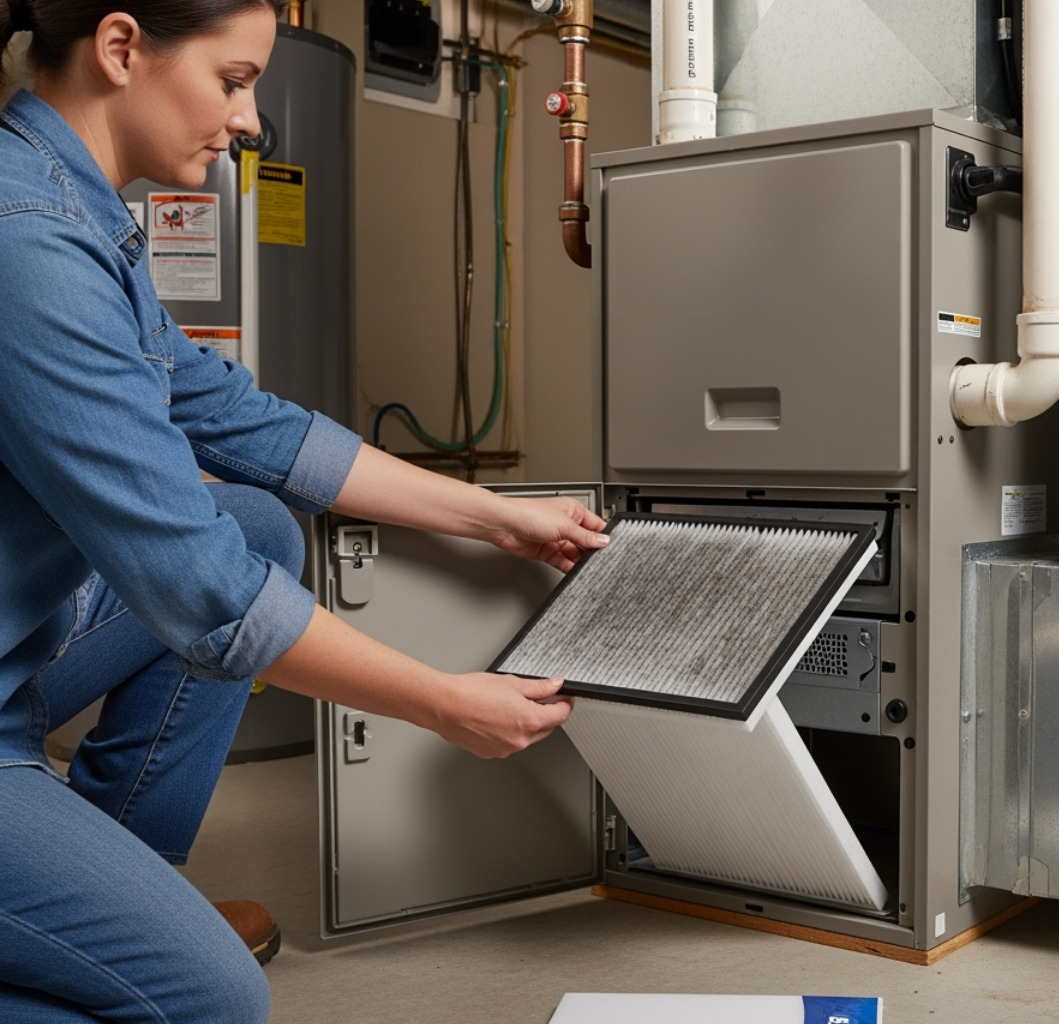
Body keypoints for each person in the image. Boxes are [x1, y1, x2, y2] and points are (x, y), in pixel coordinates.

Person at [0, 2, 609, 1020]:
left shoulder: (74, 207)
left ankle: (102, 894)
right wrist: (443, 702)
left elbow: (243, 422)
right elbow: (200, 592)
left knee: (259, 524)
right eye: (233, 80)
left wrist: (497, 517)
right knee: (215, 1002)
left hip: (18, 653)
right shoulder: (30, 250)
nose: (250, 119)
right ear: (120, 49)